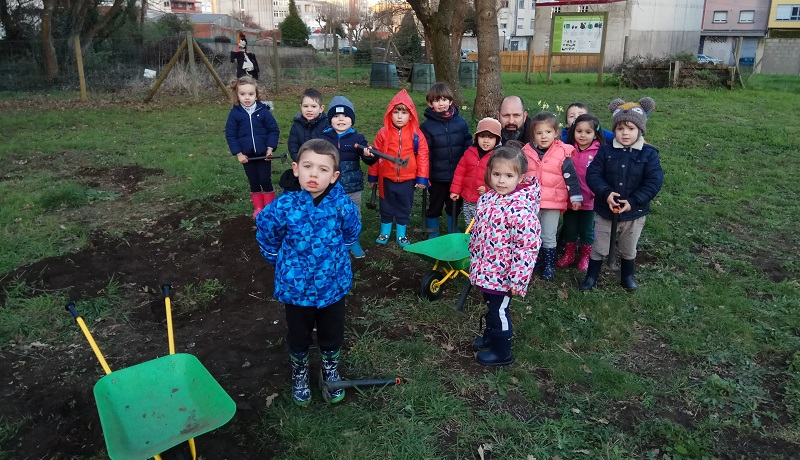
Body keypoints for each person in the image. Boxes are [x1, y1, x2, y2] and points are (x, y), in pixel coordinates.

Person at [255, 139, 362, 406]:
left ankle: (329, 366)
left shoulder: (342, 205)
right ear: (295, 169)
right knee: (299, 334)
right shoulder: (284, 206)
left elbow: (352, 231)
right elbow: (267, 234)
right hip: (296, 288)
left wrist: (337, 256)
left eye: (323, 169)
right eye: (308, 166)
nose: (314, 174)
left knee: (332, 331)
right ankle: (300, 370)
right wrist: (280, 262)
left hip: (332, 285)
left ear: (335, 176)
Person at [580, 97, 663, 291]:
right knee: (599, 245)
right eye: (620, 128)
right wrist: (606, 193)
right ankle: (591, 277)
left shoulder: (649, 154)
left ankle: (627, 276)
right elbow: (593, 175)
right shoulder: (606, 151)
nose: (625, 133)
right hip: (605, 209)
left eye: (631, 128)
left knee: (628, 246)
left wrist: (634, 201)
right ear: (614, 130)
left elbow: (654, 182)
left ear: (640, 130)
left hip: (635, 212)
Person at [468, 146, 541, 366]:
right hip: (487, 269)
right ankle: (491, 337)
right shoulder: (489, 199)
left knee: (499, 310)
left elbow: (527, 248)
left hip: (505, 275)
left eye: (509, 176)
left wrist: (517, 280)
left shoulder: (520, 210)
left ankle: (502, 352)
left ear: (520, 177)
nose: (501, 181)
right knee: (491, 305)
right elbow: (480, 230)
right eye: (496, 174)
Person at [521, 112, 582, 280]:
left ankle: (549, 265)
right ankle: (533, 261)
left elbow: (571, 177)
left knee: (548, 234)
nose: (543, 136)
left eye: (548, 132)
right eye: (539, 133)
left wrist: (575, 197)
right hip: (531, 203)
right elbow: (520, 175)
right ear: (533, 135)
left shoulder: (562, 153)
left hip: (553, 203)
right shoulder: (526, 152)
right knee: (531, 234)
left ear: (556, 133)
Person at [368, 89, 430, 247]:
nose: (400, 116)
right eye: (396, 112)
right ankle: (385, 232)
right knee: (386, 206)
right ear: (390, 113)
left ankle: (401, 234)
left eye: (404, 112)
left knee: (404, 206)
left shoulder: (417, 135)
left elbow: (423, 156)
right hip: (386, 179)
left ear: (411, 115)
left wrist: (422, 177)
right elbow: (375, 155)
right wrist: (373, 177)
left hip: (408, 180)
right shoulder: (383, 133)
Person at [319, 95, 376, 258]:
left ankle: (354, 242)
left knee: (353, 214)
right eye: (336, 116)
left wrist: (369, 155)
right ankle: (332, 242)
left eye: (345, 116)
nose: (341, 119)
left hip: (352, 187)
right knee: (330, 214)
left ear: (352, 120)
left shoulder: (358, 138)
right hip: (329, 188)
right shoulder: (323, 138)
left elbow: (369, 160)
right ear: (330, 120)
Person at [420, 82, 472, 237]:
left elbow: (467, 145)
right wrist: (424, 175)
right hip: (436, 176)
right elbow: (424, 153)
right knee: (435, 204)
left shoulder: (460, 123)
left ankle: (453, 229)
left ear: (450, 101)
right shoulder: (427, 126)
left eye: (444, 99)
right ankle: (433, 231)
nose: (441, 103)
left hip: (457, 175)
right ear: (431, 104)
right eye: (437, 100)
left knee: (454, 204)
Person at [225, 76, 279, 219]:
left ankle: (269, 207)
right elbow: (231, 135)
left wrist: (270, 148)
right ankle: (258, 207)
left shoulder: (263, 111)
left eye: (251, 94)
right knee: (253, 180)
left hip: (263, 155)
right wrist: (239, 154)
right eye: (242, 94)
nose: (247, 98)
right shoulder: (235, 114)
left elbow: (273, 130)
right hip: (247, 157)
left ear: (257, 94)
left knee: (265, 180)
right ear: (237, 95)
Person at [556, 113, 603, 272]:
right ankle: (569, 254)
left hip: (590, 199)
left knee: (586, 229)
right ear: (573, 131)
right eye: (579, 131)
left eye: (588, 132)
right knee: (569, 228)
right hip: (569, 199)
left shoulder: (599, 152)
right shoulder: (567, 149)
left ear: (595, 133)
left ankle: (585, 257)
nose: (583, 135)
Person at [450, 117, 502, 227]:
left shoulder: (497, 158)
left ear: (497, 140)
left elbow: (500, 179)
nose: (486, 140)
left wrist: (488, 189)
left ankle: (481, 240)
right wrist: (455, 190)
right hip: (467, 197)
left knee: (483, 223)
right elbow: (460, 173)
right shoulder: (469, 153)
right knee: (468, 221)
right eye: (482, 136)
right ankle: (470, 240)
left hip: (485, 200)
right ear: (476, 137)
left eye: (490, 137)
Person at [288, 88, 328, 162]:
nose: (309, 110)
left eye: (313, 106)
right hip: (303, 162)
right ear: (301, 107)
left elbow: (330, 145)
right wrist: (300, 160)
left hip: (322, 162)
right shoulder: (297, 124)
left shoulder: (326, 124)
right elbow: (293, 146)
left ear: (321, 108)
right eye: (305, 106)